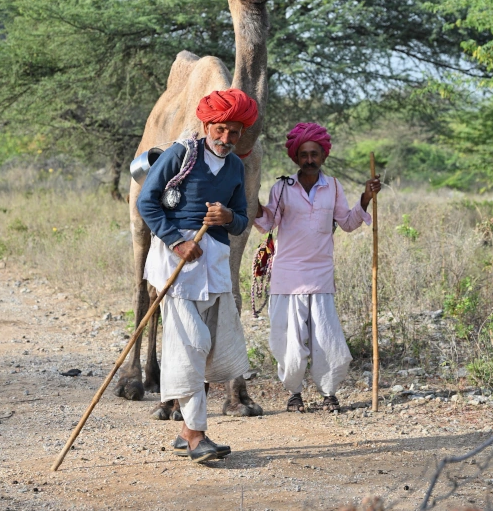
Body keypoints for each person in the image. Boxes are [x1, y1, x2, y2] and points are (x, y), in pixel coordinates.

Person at [137, 88, 257, 463]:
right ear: (207, 125)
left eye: (234, 133)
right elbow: (146, 202)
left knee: (204, 347)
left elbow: (241, 219)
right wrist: (175, 241)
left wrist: (227, 218)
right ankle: (197, 436)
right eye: (220, 130)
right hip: (177, 265)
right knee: (191, 344)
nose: (225, 139)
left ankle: (186, 428)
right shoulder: (180, 155)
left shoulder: (237, 166)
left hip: (215, 264)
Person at [254, 122, 381, 413]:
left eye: (314, 154)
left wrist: (365, 198)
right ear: (296, 158)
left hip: (320, 274)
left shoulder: (333, 186)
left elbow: (348, 223)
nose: (309, 159)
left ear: (323, 156)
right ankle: (294, 394)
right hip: (287, 277)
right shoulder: (282, 188)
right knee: (289, 344)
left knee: (328, 341)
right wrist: (253, 203)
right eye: (304, 154)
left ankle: (329, 393)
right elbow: (266, 225)